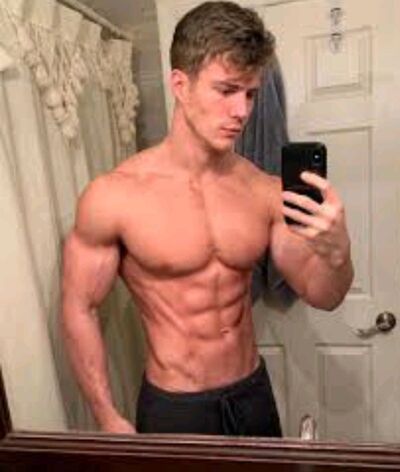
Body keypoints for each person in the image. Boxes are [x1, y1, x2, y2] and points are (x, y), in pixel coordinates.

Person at [61, 1, 353, 437]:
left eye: (250, 94)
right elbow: (79, 306)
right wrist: (106, 414)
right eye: (227, 90)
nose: (242, 111)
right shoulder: (115, 196)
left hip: (252, 394)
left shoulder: (263, 190)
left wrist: (338, 254)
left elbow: (323, 295)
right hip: (174, 405)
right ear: (180, 85)